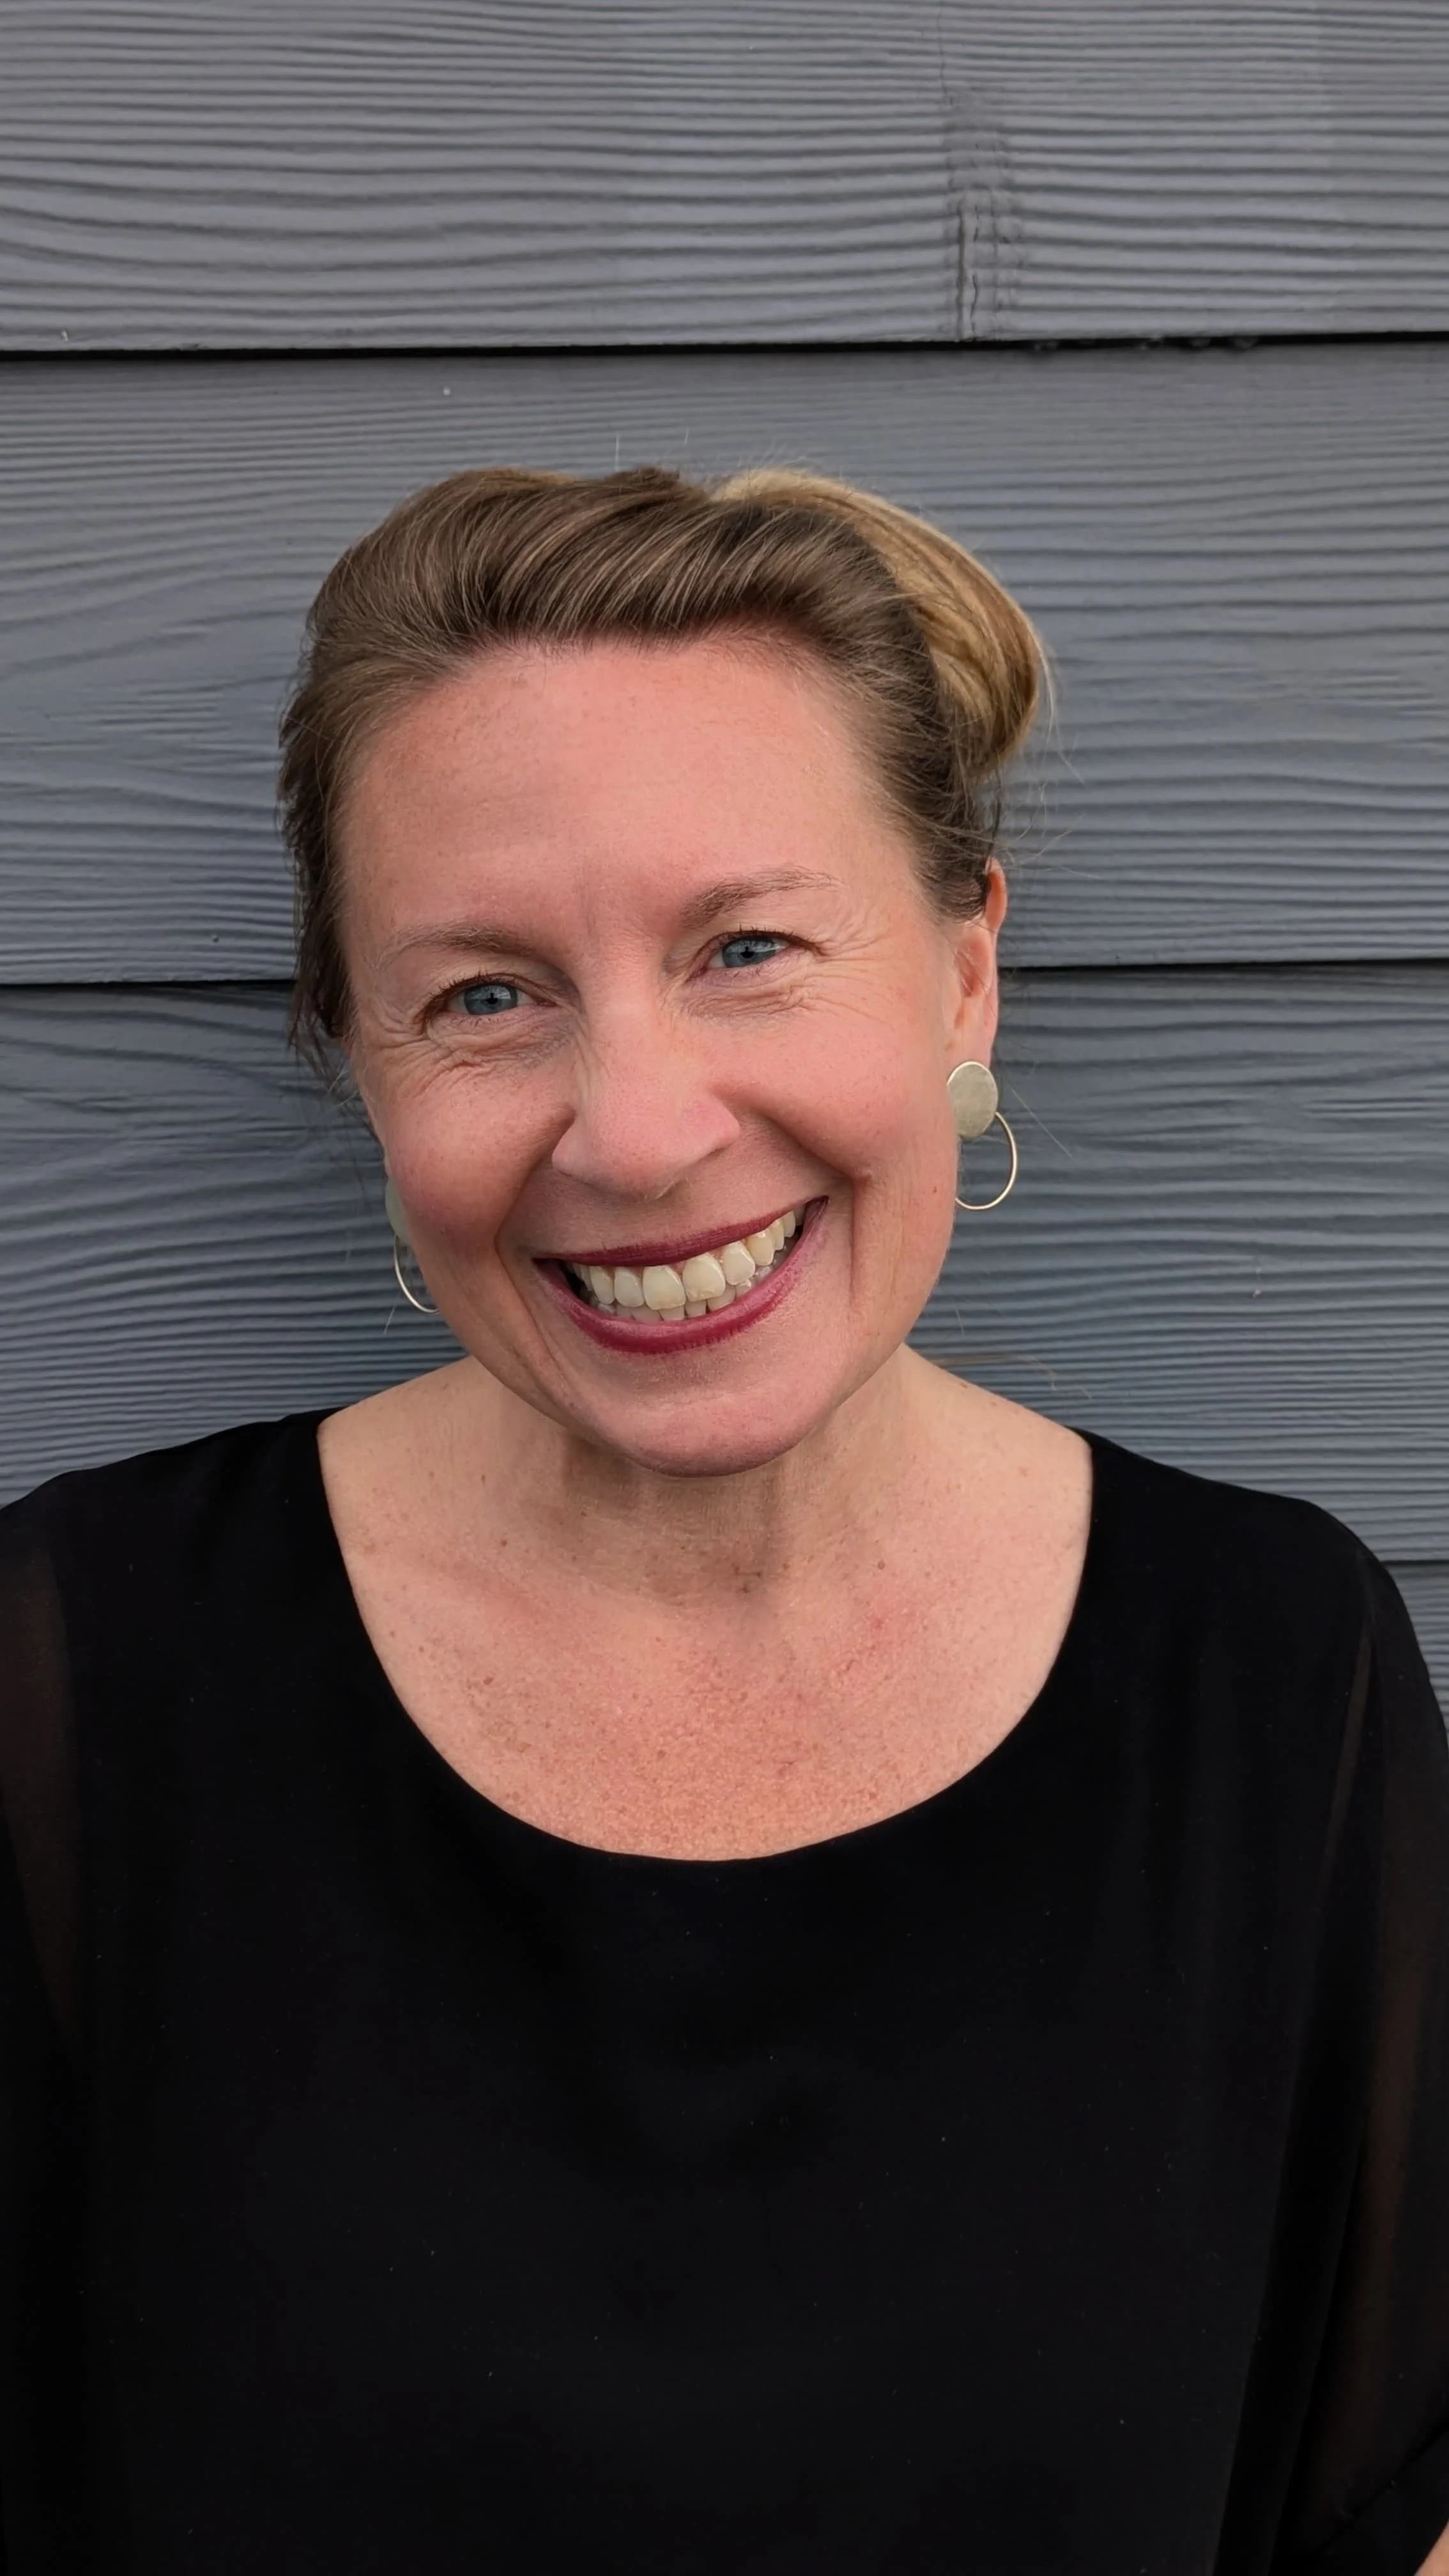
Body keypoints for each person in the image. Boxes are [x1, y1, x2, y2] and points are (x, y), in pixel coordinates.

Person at [1, 463, 1446, 2575]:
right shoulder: (77, 1683)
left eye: (750, 947)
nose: (642, 1129)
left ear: (962, 980)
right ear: (359, 1062)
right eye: (485, 995)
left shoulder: (1271, 1675)